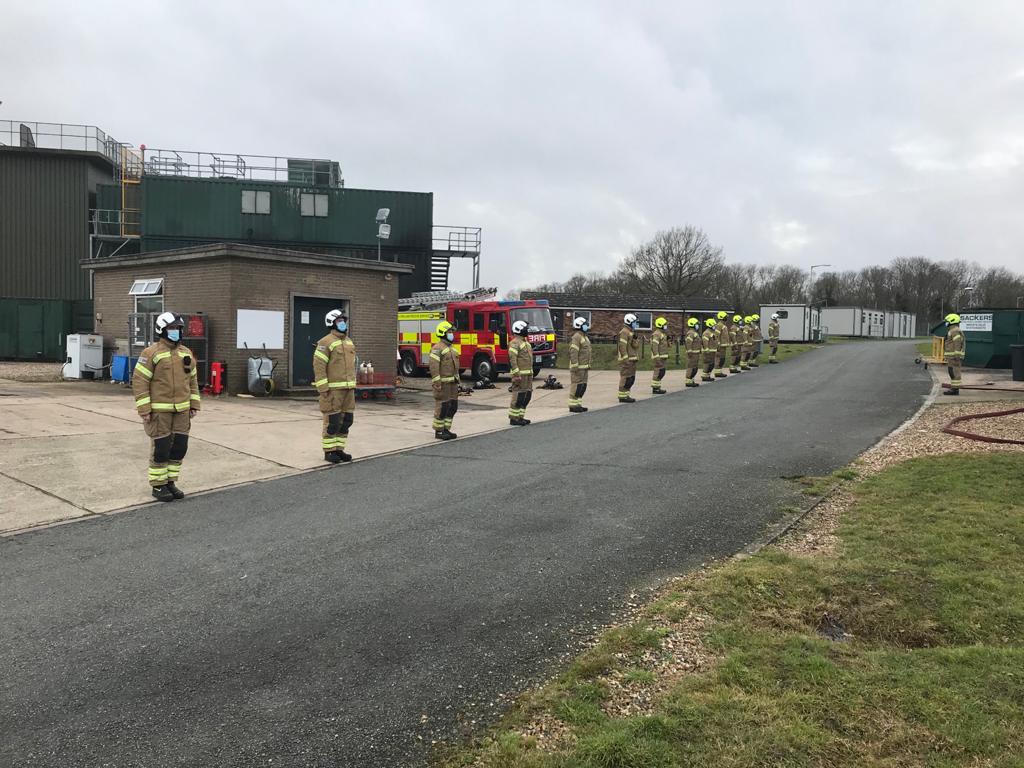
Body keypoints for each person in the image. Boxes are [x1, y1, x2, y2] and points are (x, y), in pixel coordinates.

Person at [132, 312, 201, 502]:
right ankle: (158, 485)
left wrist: (194, 404)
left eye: (178, 329)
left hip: (182, 411)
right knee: (161, 448)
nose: (176, 332)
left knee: (179, 447)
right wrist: (144, 409)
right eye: (171, 328)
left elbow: (192, 380)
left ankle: (170, 482)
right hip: (159, 412)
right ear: (161, 330)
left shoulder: (186, 353)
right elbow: (139, 382)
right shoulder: (150, 353)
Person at [313, 309, 357, 463]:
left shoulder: (349, 342)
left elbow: (353, 365)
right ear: (332, 323)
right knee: (332, 421)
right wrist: (323, 389)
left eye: (343, 320)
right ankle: (329, 452)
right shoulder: (325, 342)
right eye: (339, 321)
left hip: (348, 390)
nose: (343, 323)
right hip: (333, 391)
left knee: (346, 421)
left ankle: (339, 450)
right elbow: (319, 367)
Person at [429, 320, 460, 439]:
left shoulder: (452, 348)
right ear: (442, 332)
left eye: (452, 331)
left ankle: (446, 429)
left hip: (452, 384)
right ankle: (439, 431)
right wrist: (437, 382)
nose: (452, 333)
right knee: (442, 406)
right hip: (443, 384)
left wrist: (458, 381)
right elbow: (433, 366)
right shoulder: (437, 348)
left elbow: (455, 367)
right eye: (450, 331)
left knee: (453, 406)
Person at [508, 319, 534, 424]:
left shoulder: (526, 342)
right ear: (518, 329)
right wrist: (516, 373)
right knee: (518, 396)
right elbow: (512, 359)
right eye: (525, 329)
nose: (527, 331)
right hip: (520, 375)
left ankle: (520, 416)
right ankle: (513, 418)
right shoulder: (514, 343)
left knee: (526, 395)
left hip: (528, 374)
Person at [568, 316, 592, 413]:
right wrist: (575, 365)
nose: (587, 326)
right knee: (576, 386)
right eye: (585, 324)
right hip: (578, 367)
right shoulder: (577, 337)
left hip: (584, 367)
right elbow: (573, 352)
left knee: (582, 387)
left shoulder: (584, 337)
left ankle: (578, 404)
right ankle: (573, 406)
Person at [617, 313, 640, 403]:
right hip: (626, 360)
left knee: (630, 378)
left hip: (632, 359)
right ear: (629, 321)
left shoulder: (631, 332)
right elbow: (622, 346)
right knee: (625, 378)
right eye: (634, 322)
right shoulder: (624, 332)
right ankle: (622, 396)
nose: (635, 324)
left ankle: (626, 395)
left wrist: (635, 339)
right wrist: (625, 359)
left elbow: (635, 346)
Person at [943, 313, 966, 395]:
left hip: (954, 357)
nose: (946, 323)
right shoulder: (952, 330)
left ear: (952, 321)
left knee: (954, 372)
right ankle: (954, 388)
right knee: (951, 372)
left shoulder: (955, 331)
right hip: (952, 357)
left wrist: (957, 355)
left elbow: (957, 343)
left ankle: (955, 390)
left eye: (947, 321)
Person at [650, 316, 670, 394]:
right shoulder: (657, 334)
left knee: (661, 372)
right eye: (664, 324)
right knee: (658, 372)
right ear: (660, 324)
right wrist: (657, 357)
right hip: (659, 357)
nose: (666, 326)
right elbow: (654, 346)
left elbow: (665, 346)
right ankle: (655, 388)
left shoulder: (662, 334)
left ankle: (658, 387)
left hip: (663, 357)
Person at [683, 316, 702, 387]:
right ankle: (688, 381)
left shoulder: (694, 333)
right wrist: (690, 351)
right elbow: (688, 343)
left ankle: (691, 380)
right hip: (692, 354)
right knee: (691, 367)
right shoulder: (691, 333)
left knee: (694, 367)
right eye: (697, 324)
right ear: (693, 324)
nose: (698, 326)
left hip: (696, 353)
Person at [714, 310, 731, 377]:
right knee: (719, 358)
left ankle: (719, 371)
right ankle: (717, 372)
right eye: (726, 317)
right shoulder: (719, 325)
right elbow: (716, 335)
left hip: (723, 345)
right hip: (720, 346)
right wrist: (717, 344)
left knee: (722, 359)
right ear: (722, 317)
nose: (726, 318)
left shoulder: (723, 325)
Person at [701, 317, 718, 382]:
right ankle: (705, 376)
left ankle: (708, 375)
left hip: (712, 350)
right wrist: (707, 348)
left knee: (711, 364)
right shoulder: (706, 333)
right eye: (713, 325)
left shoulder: (712, 332)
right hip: (708, 351)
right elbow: (705, 341)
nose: (715, 326)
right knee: (707, 363)